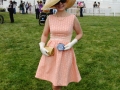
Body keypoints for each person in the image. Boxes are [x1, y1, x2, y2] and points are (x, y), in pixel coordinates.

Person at [35, 0, 83, 90]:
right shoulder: (50, 18)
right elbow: (45, 34)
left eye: (63, 1)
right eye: (57, 2)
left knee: (57, 82)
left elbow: (80, 33)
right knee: (54, 79)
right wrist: (41, 45)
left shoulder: (72, 18)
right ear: (53, 4)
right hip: (52, 52)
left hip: (65, 52)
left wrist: (72, 43)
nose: (60, 4)